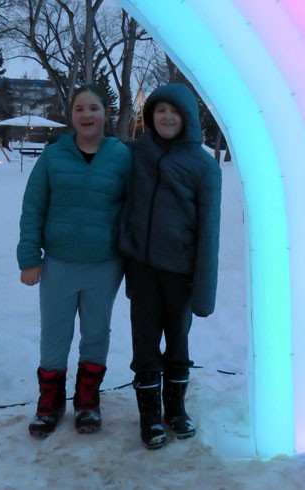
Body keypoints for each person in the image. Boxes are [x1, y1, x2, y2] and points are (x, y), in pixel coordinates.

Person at [17, 85, 132, 438]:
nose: (86, 115)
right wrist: (28, 258)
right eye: (79, 108)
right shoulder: (54, 156)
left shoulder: (121, 156)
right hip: (59, 264)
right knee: (55, 334)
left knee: (96, 333)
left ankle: (87, 402)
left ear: (104, 114)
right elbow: (33, 207)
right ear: (71, 115)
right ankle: (49, 405)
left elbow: (134, 208)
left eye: (93, 108)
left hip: (105, 264)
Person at [119, 83, 222, 449]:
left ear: (187, 119)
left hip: (180, 273)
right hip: (143, 267)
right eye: (160, 110)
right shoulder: (134, 154)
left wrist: (204, 290)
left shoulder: (204, 166)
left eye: (174, 112)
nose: (166, 117)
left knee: (178, 342)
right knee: (144, 342)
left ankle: (175, 409)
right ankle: (149, 415)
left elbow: (210, 232)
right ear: (150, 116)